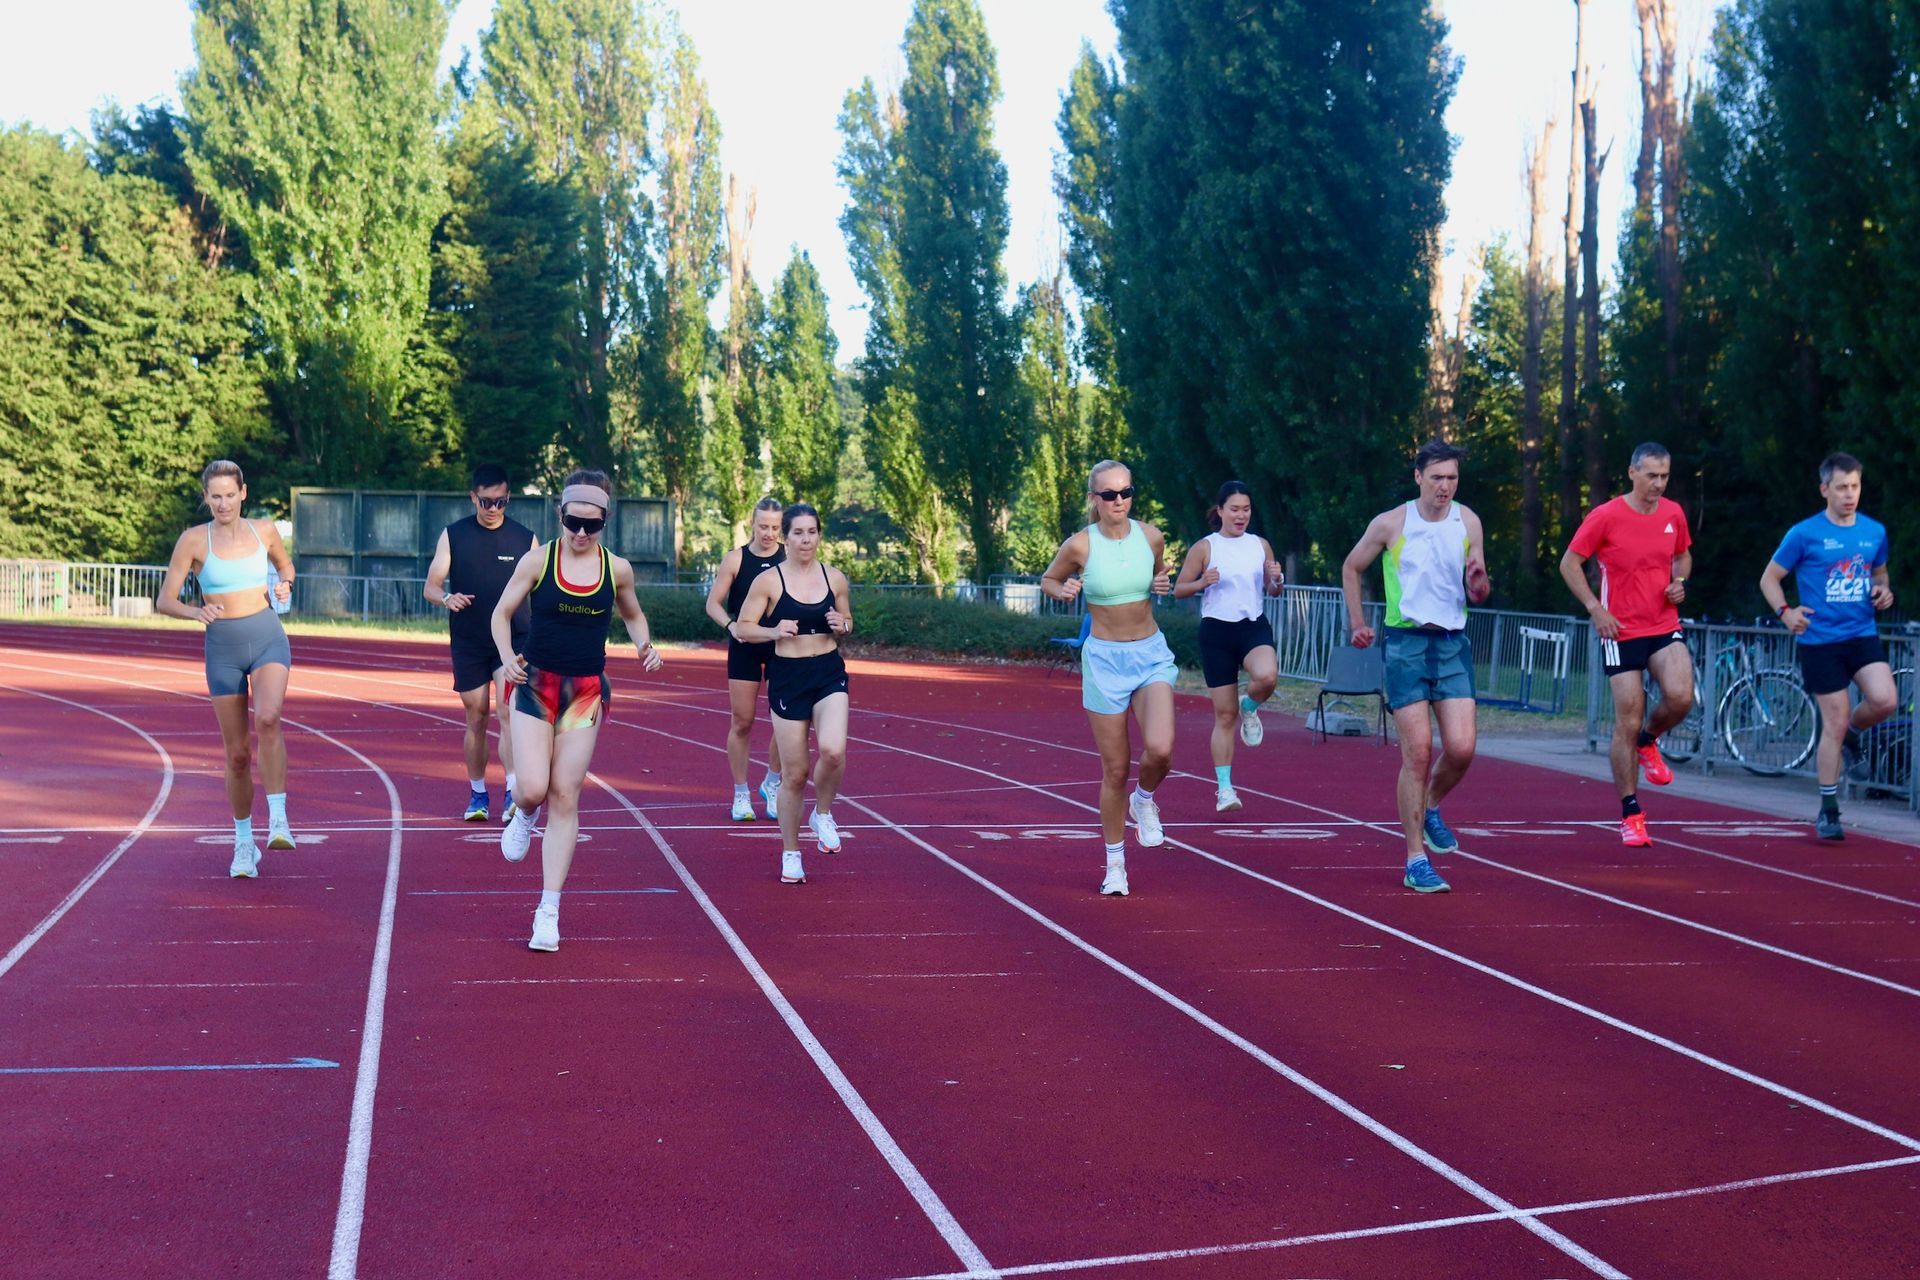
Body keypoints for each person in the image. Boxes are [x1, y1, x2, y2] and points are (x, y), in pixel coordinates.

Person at [493, 471, 663, 952]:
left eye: (592, 525)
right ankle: (524, 813)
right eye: (573, 523)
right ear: (560, 515)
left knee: (565, 795)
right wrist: (506, 656)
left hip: (585, 691)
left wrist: (644, 644)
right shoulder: (538, 560)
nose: (582, 533)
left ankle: (548, 911)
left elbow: (632, 613)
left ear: (605, 520)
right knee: (533, 788)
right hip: (535, 685)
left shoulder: (617, 569)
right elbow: (501, 613)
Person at [1342, 440, 1491, 894]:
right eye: (1437, 477)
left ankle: (1429, 806)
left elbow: (1478, 590)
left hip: (1451, 643)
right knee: (1419, 752)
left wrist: (1479, 583)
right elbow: (1352, 567)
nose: (1445, 486)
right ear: (1418, 477)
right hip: (1406, 643)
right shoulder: (1391, 523)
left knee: (1462, 748)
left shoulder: (1469, 521)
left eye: (1452, 478)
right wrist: (1358, 623)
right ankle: (1415, 859)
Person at [1039, 460, 1177, 896]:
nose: (1119, 501)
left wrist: (1162, 583)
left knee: (1161, 749)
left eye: (1126, 492)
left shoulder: (1151, 536)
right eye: (1110, 494)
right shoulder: (1080, 545)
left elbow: (1158, 574)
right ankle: (1115, 864)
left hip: (1150, 654)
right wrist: (1061, 590)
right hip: (1104, 661)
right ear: (1094, 499)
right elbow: (1049, 579)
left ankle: (1145, 800)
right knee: (1115, 770)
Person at [156, 460, 298, 879]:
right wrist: (194, 611)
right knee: (237, 755)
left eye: (230, 495)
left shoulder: (264, 530)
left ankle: (278, 818)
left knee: (268, 718)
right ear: (206, 497)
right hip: (222, 648)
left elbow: (286, 567)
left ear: (243, 493)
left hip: (267, 636)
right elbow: (165, 600)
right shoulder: (193, 540)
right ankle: (243, 842)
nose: (223, 503)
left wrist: (285, 583)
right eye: (215, 496)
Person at [1559, 442, 1694, 849]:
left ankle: (1649, 741)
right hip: (1620, 630)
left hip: (1663, 623)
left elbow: (1683, 557)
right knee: (1627, 719)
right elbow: (1569, 563)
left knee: (1681, 697)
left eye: (1664, 476)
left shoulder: (1673, 513)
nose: (1658, 483)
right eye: (1651, 475)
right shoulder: (1606, 516)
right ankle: (1631, 813)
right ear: (1632, 472)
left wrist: (1680, 582)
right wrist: (1595, 609)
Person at [1760, 452, 1897, 840]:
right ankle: (1829, 809)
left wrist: (1883, 592)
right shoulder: (1804, 534)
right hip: (1820, 640)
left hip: (1861, 633)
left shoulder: (1873, 531)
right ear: (1825, 490)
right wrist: (1786, 612)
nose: (1849, 494)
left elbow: (1880, 574)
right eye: (1841, 488)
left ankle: (1854, 733)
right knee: (1832, 722)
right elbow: (1769, 578)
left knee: (1886, 700)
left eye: (1855, 486)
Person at [733, 504, 853, 886]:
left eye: (812, 532)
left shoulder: (835, 578)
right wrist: (773, 631)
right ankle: (791, 853)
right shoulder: (768, 582)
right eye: (798, 532)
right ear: (786, 537)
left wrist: (843, 624)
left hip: (828, 672)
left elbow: (848, 621)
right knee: (796, 774)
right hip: (788, 676)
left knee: (833, 751)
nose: (805, 539)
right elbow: (743, 628)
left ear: (819, 535)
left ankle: (823, 813)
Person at [424, 463, 537, 823]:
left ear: (508, 498)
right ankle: (477, 794)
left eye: (501, 502)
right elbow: (431, 586)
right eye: (487, 502)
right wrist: (447, 598)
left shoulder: (526, 539)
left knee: (508, 712)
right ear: (473, 497)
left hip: (513, 641)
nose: (493, 509)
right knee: (476, 715)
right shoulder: (453, 535)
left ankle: (513, 791)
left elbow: (542, 590)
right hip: (470, 640)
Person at [1174, 480, 1286, 812]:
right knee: (1224, 715)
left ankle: (1249, 707)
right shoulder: (1205, 547)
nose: (1241, 516)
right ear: (1220, 510)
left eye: (1246, 509)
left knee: (1267, 676)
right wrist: (1201, 582)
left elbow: (1273, 589)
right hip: (1217, 632)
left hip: (1252, 626)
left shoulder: (1260, 545)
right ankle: (1225, 789)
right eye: (1234, 509)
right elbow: (1179, 589)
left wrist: (1277, 578)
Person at [703, 497, 786, 822]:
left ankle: (772, 782)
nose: (769, 533)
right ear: (752, 524)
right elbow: (713, 603)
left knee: (786, 721)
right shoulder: (736, 559)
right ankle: (741, 793)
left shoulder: (788, 557)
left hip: (781, 645)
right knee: (743, 721)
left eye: (775, 527)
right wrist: (731, 625)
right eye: (763, 526)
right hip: (744, 645)